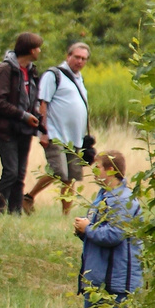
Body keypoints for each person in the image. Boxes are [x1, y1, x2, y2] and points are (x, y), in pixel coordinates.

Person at [75, 151, 142, 308]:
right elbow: (98, 236)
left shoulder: (124, 200)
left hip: (115, 276)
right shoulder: (102, 197)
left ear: (111, 170)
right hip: (96, 274)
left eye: (98, 168)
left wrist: (88, 229)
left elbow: (114, 235)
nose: (93, 172)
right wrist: (83, 232)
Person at [27, 42, 91, 216]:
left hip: (75, 137)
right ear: (68, 56)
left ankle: (65, 215)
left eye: (83, 59)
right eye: (77, 57)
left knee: (70, 178)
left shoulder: (79, 78)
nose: (79, 61)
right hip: (55, 134)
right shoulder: (54, 75)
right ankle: (28, 197)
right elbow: (43, 104)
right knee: (59, 172)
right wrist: (44, 132)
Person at [0, 32, 43, 216]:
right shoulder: (6, 69)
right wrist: (23, 115)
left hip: (25, 130)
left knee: (20, 175)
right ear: (28, 49)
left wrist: (33, 117)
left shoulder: (31, 70)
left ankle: (15, 214)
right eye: (37, 47)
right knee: (10, 172)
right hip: (7, 129)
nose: (39, 50)